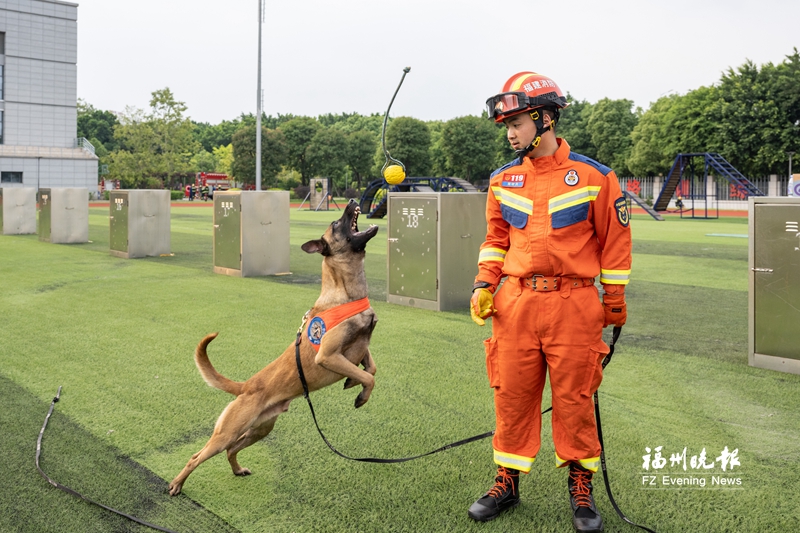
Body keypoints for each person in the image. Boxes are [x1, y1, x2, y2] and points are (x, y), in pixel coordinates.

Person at [468, 72, 632, 533]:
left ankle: (581, 488)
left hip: (574, 305)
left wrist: (614, 301)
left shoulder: (596, 177)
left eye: (517, 122)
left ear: (545, 118)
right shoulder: (503, 180)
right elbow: (496, 239)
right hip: (515, 304)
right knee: (512, 395)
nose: (510, 132)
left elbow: (615, 243)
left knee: (574, 399)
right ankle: (507, 480)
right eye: (507, 124)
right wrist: (483, 284)